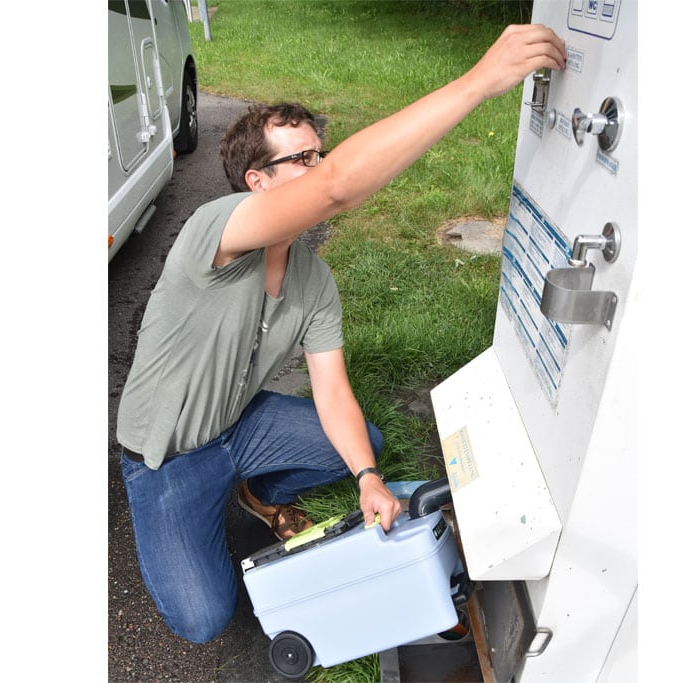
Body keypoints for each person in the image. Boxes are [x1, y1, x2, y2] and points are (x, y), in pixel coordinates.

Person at [115, 23, 567, 644]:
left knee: (364, 446)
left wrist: (367, 481)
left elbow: (330, 391)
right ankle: (202, 506)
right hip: (167, 458)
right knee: (204, 619)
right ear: (257, 181)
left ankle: (256, 490)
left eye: (318, 152)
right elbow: (336, 190)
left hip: (239, 425)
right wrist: (478, 83)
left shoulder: (313, 279)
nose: (319, 165)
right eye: (300, 158)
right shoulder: (213, 233)